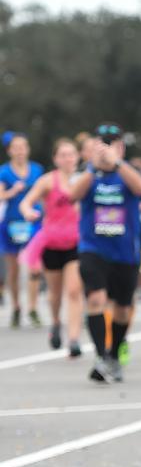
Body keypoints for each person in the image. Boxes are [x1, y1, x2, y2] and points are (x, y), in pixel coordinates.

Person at [69, 123, 141, 383]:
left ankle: (114, 355)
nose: (107, 149)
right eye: (103, 143)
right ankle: (101, 356)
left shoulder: (127, 173)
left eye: (112, 143)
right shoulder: (88, 175)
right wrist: (93, 166)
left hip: (126, 252)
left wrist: (118, 163)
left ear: (121, 147)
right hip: (94, 248)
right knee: (96, 299)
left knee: (123, 309)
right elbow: (73, 196)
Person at [19, 138, 83, 355]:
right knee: (55, 294)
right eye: (63, 155)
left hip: (76, 243)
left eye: (71, 154)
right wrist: (28, 212)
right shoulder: (48, 181)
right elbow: (26, 202)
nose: (68, 158)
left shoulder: (84, 180)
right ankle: (56, 322)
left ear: (78, 157)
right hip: (51, 244)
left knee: (74, 291)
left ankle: (73, 339)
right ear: (56, 159)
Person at [0, 133, 43, 327]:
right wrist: (12, 191)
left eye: (23, 147)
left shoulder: (37, 169)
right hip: (11, 224)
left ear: (27, 149)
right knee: (13, 269)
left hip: (33, 223)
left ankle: (33, 308)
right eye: (15, 148)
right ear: (9, 151)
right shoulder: (4, 172)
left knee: (35, 266)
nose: (19, 151)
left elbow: (43, 194)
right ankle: (16, 306)